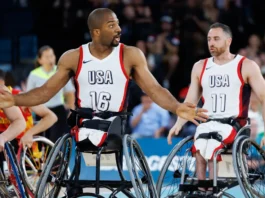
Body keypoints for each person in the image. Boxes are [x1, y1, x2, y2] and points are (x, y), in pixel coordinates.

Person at [0, 8, 207, 137]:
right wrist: (15, 101)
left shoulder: (130, 55)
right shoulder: (74, 57)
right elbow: (45, 92)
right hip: (84, 123)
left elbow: (154, 89)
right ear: (96, 32)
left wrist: (177, 107)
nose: (118, 29)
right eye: (111, 25)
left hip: (115, 124)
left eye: (118, 24)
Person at [167, 22, 265, 196]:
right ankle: (201, 188)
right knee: (198, 145)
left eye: (216, 39)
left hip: (235, 124)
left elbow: (264, 97)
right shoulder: (200, 66)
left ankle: (212, 191)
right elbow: (190, 101)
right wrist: (178, 123)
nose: (211, 43)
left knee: (211, 145)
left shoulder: (246, 65)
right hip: (208, 123)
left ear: (228, 41)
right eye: (209, 39)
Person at [27, 45, 75, 143]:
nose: (51, 59)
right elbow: (29, 95)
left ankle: (57, 158)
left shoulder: (61, 71)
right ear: (40, 60)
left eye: (52, 56)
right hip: (41, 111)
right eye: (47, 57)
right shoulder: (34, 74)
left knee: (56, 140)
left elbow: (69, 92)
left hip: (58, 110)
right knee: (42, 141)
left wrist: (71, 109)